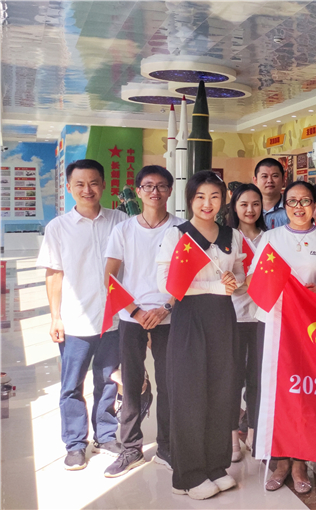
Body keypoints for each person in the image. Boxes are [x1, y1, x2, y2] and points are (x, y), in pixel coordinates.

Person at [156, 170, 244, 500]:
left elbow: (239, 274)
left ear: (224, 200)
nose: (208, 204)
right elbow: (165, 282)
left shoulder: (232, 235)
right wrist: (215, 286)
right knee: (189, 395)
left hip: (223, 318)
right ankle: (188, 474)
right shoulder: (177, 235)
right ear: (190, 199)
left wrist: (235, 281)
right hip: (190, 318)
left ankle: (215, 466)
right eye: (200, 197)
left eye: (215, 197)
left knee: (222, 391)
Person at [37, 159, 127, 470]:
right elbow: (54, 273)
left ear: (103, 185)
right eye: (80, 184)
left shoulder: (120, 220)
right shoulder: (58, 228)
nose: (87, 189)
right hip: (75, 321)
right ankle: (75, 444)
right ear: (69, 187)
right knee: (71, 385)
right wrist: (55, 317)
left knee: (108, 380)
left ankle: (106, 435)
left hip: (113, 319)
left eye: (93, 183)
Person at [249, 180, 316, 494]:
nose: (299, 207)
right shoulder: (270, 238)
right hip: (274, 325)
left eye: (306, 201)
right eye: (293, 202)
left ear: (315, 205)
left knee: (304, 392)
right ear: (284, 207)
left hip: (311, 327)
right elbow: (255, 278)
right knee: (276, 392)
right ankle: (280, 461)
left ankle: (300, 462)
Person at [103, 165, 183, 478]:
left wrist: (165, 307)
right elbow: (109, 277)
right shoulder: (123, 230)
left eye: (161, 186)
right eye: (148, 186)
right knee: (132, 384)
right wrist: (136, 312)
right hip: (130, 317)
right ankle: (131, 449)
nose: (154, 191)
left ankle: (167, 447)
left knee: (169, 383)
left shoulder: (181, 229)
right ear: (138, 191)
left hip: (169, 317)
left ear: (170, 191)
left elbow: (186, 277)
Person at [226, 183, 267, 463]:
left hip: (263, 317)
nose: (250, 210)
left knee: (257, 378)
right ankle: (232, 438)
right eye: (244, 204)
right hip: (233, 316)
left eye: (255, 204)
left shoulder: (270, 237)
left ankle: (253, 433)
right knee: (232, 379)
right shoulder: (226, 237)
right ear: (234, 207)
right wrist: (247, 282)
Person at [252, 158, 288, 229]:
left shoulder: (292, 207)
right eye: (264, 176)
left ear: (283, 179)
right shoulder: (249, 208)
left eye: (275, 176)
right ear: (255, 181)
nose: (269, 181)